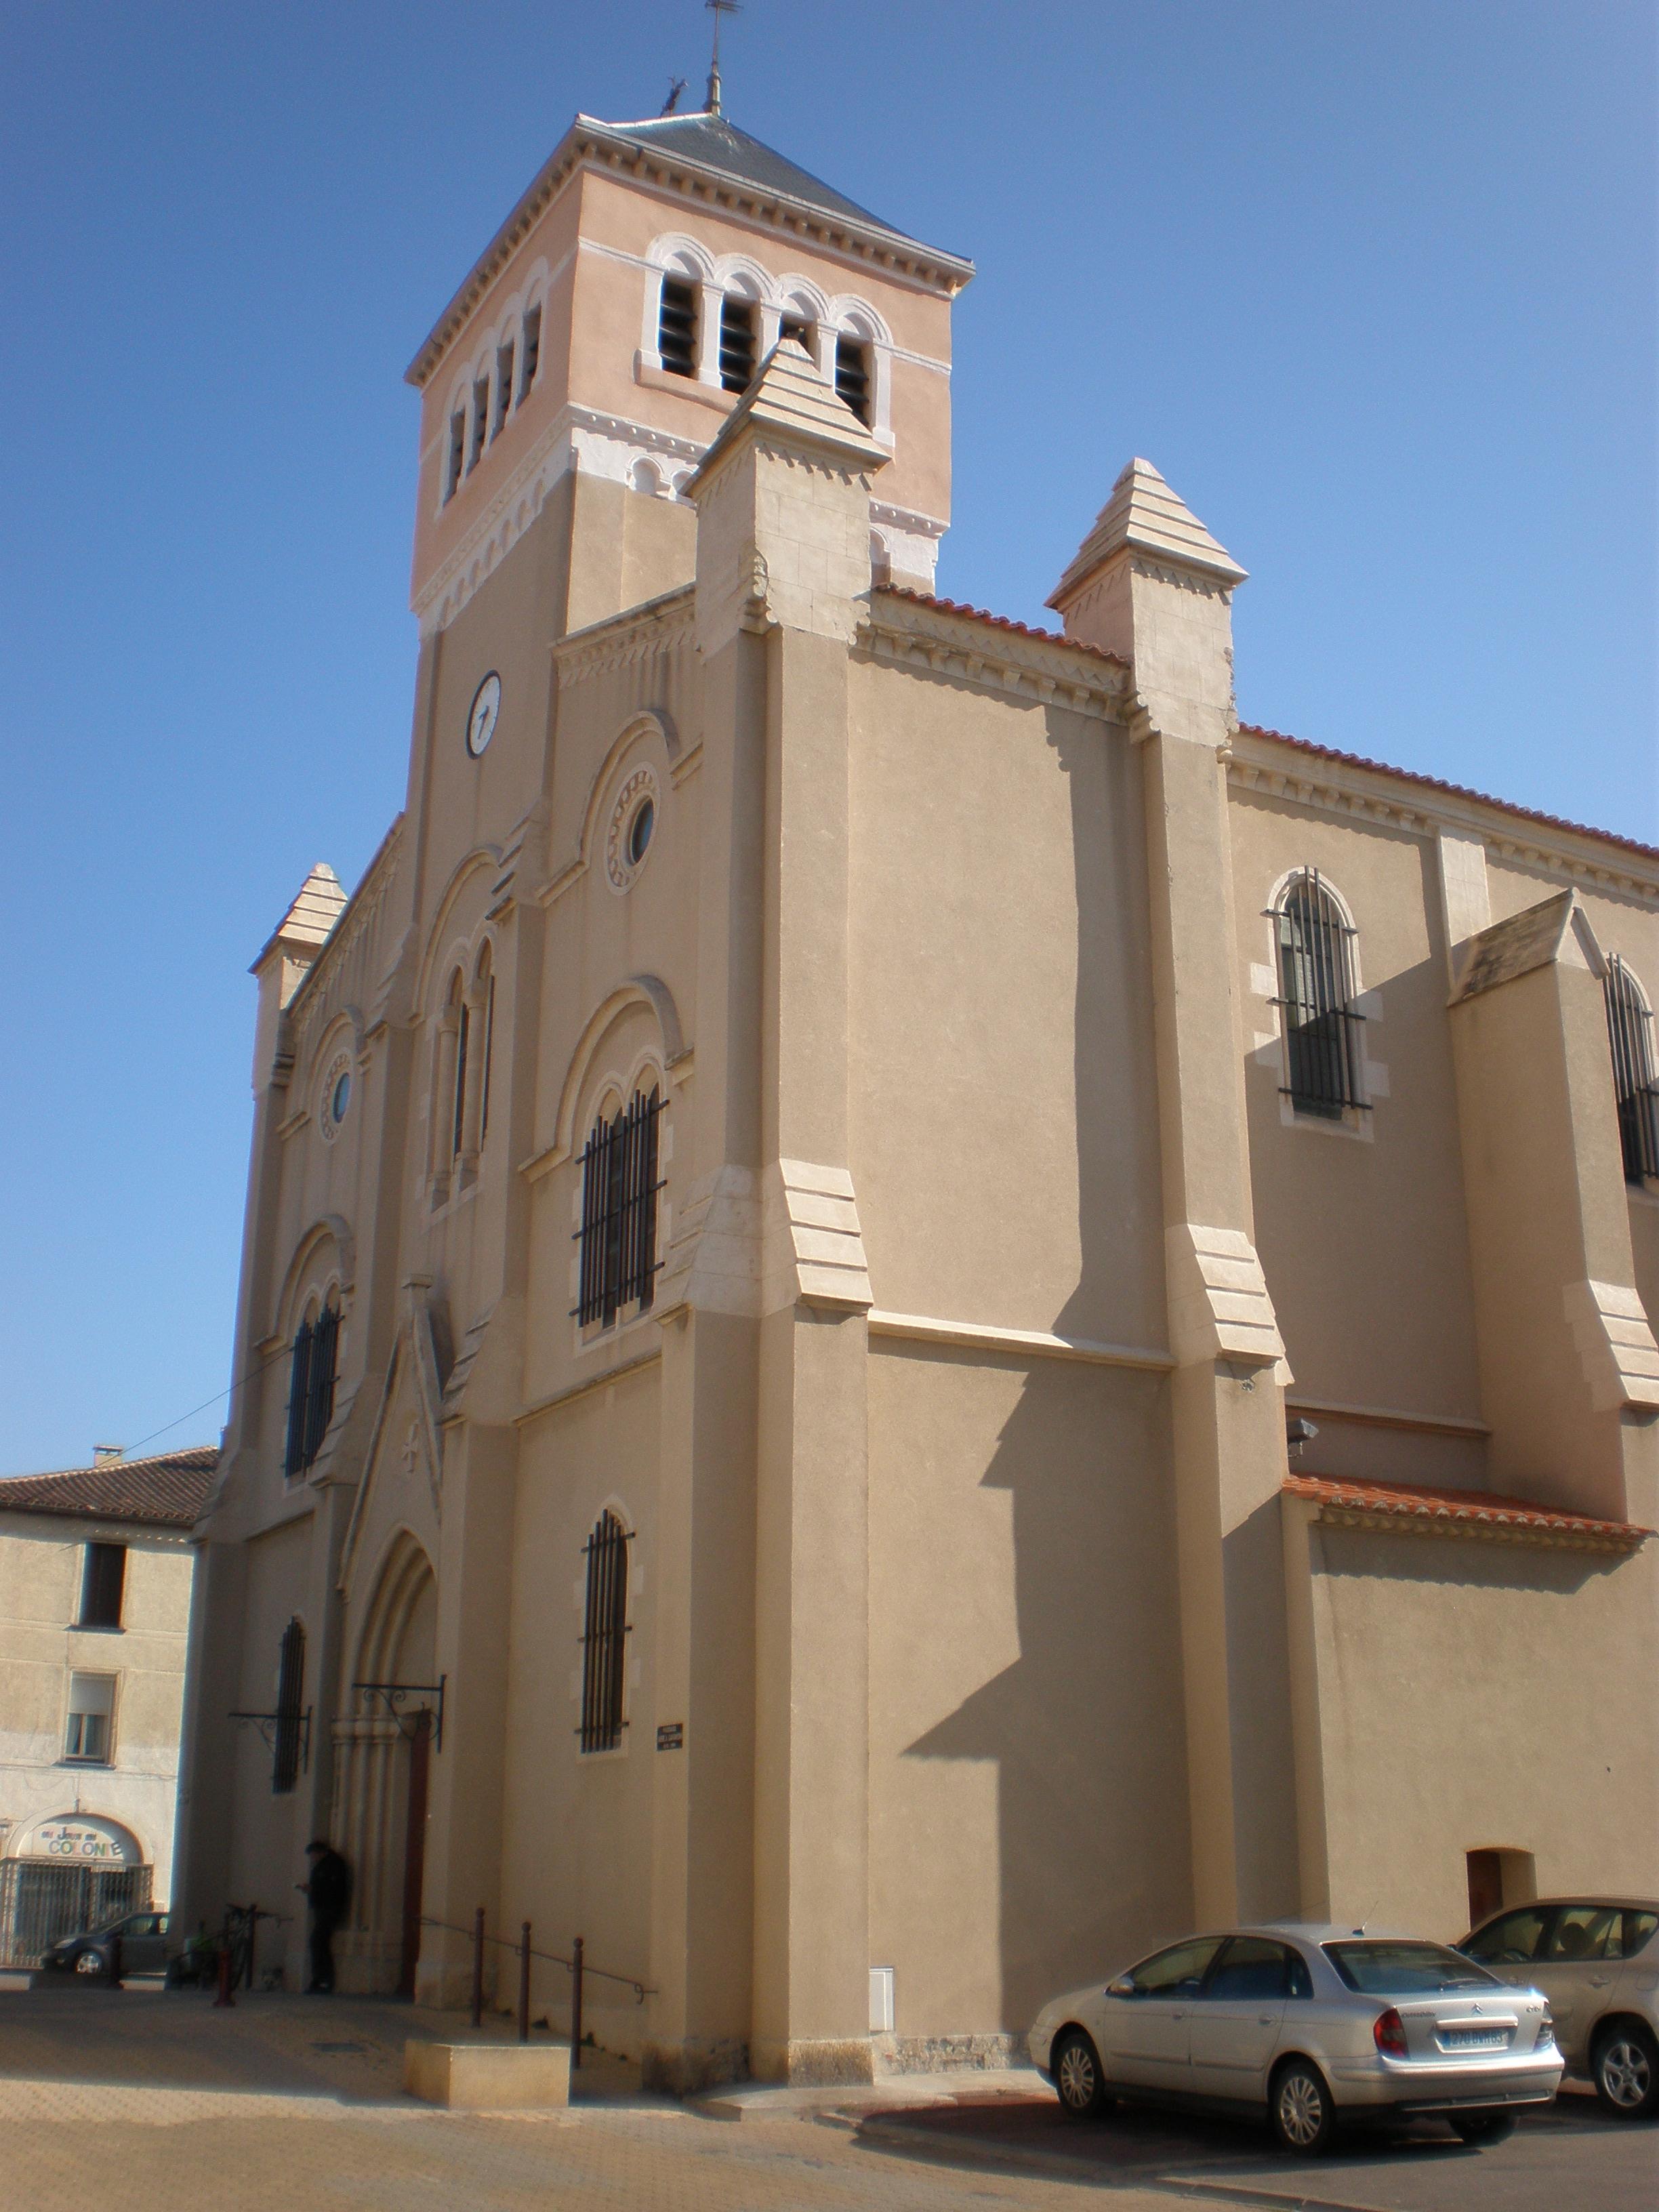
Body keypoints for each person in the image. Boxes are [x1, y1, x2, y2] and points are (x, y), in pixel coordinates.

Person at [299, 1839, 351, 1994]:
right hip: (323, 1908)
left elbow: (332, 1888)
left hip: (329, 1909)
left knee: (318, 1942)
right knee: (319, 1942)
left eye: (313, 1855)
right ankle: (321, 1980)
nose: (312, 1858)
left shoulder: (333, 1865)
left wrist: (313, 1890)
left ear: (320, 1853)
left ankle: (323, 1980)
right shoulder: (324, 1865)